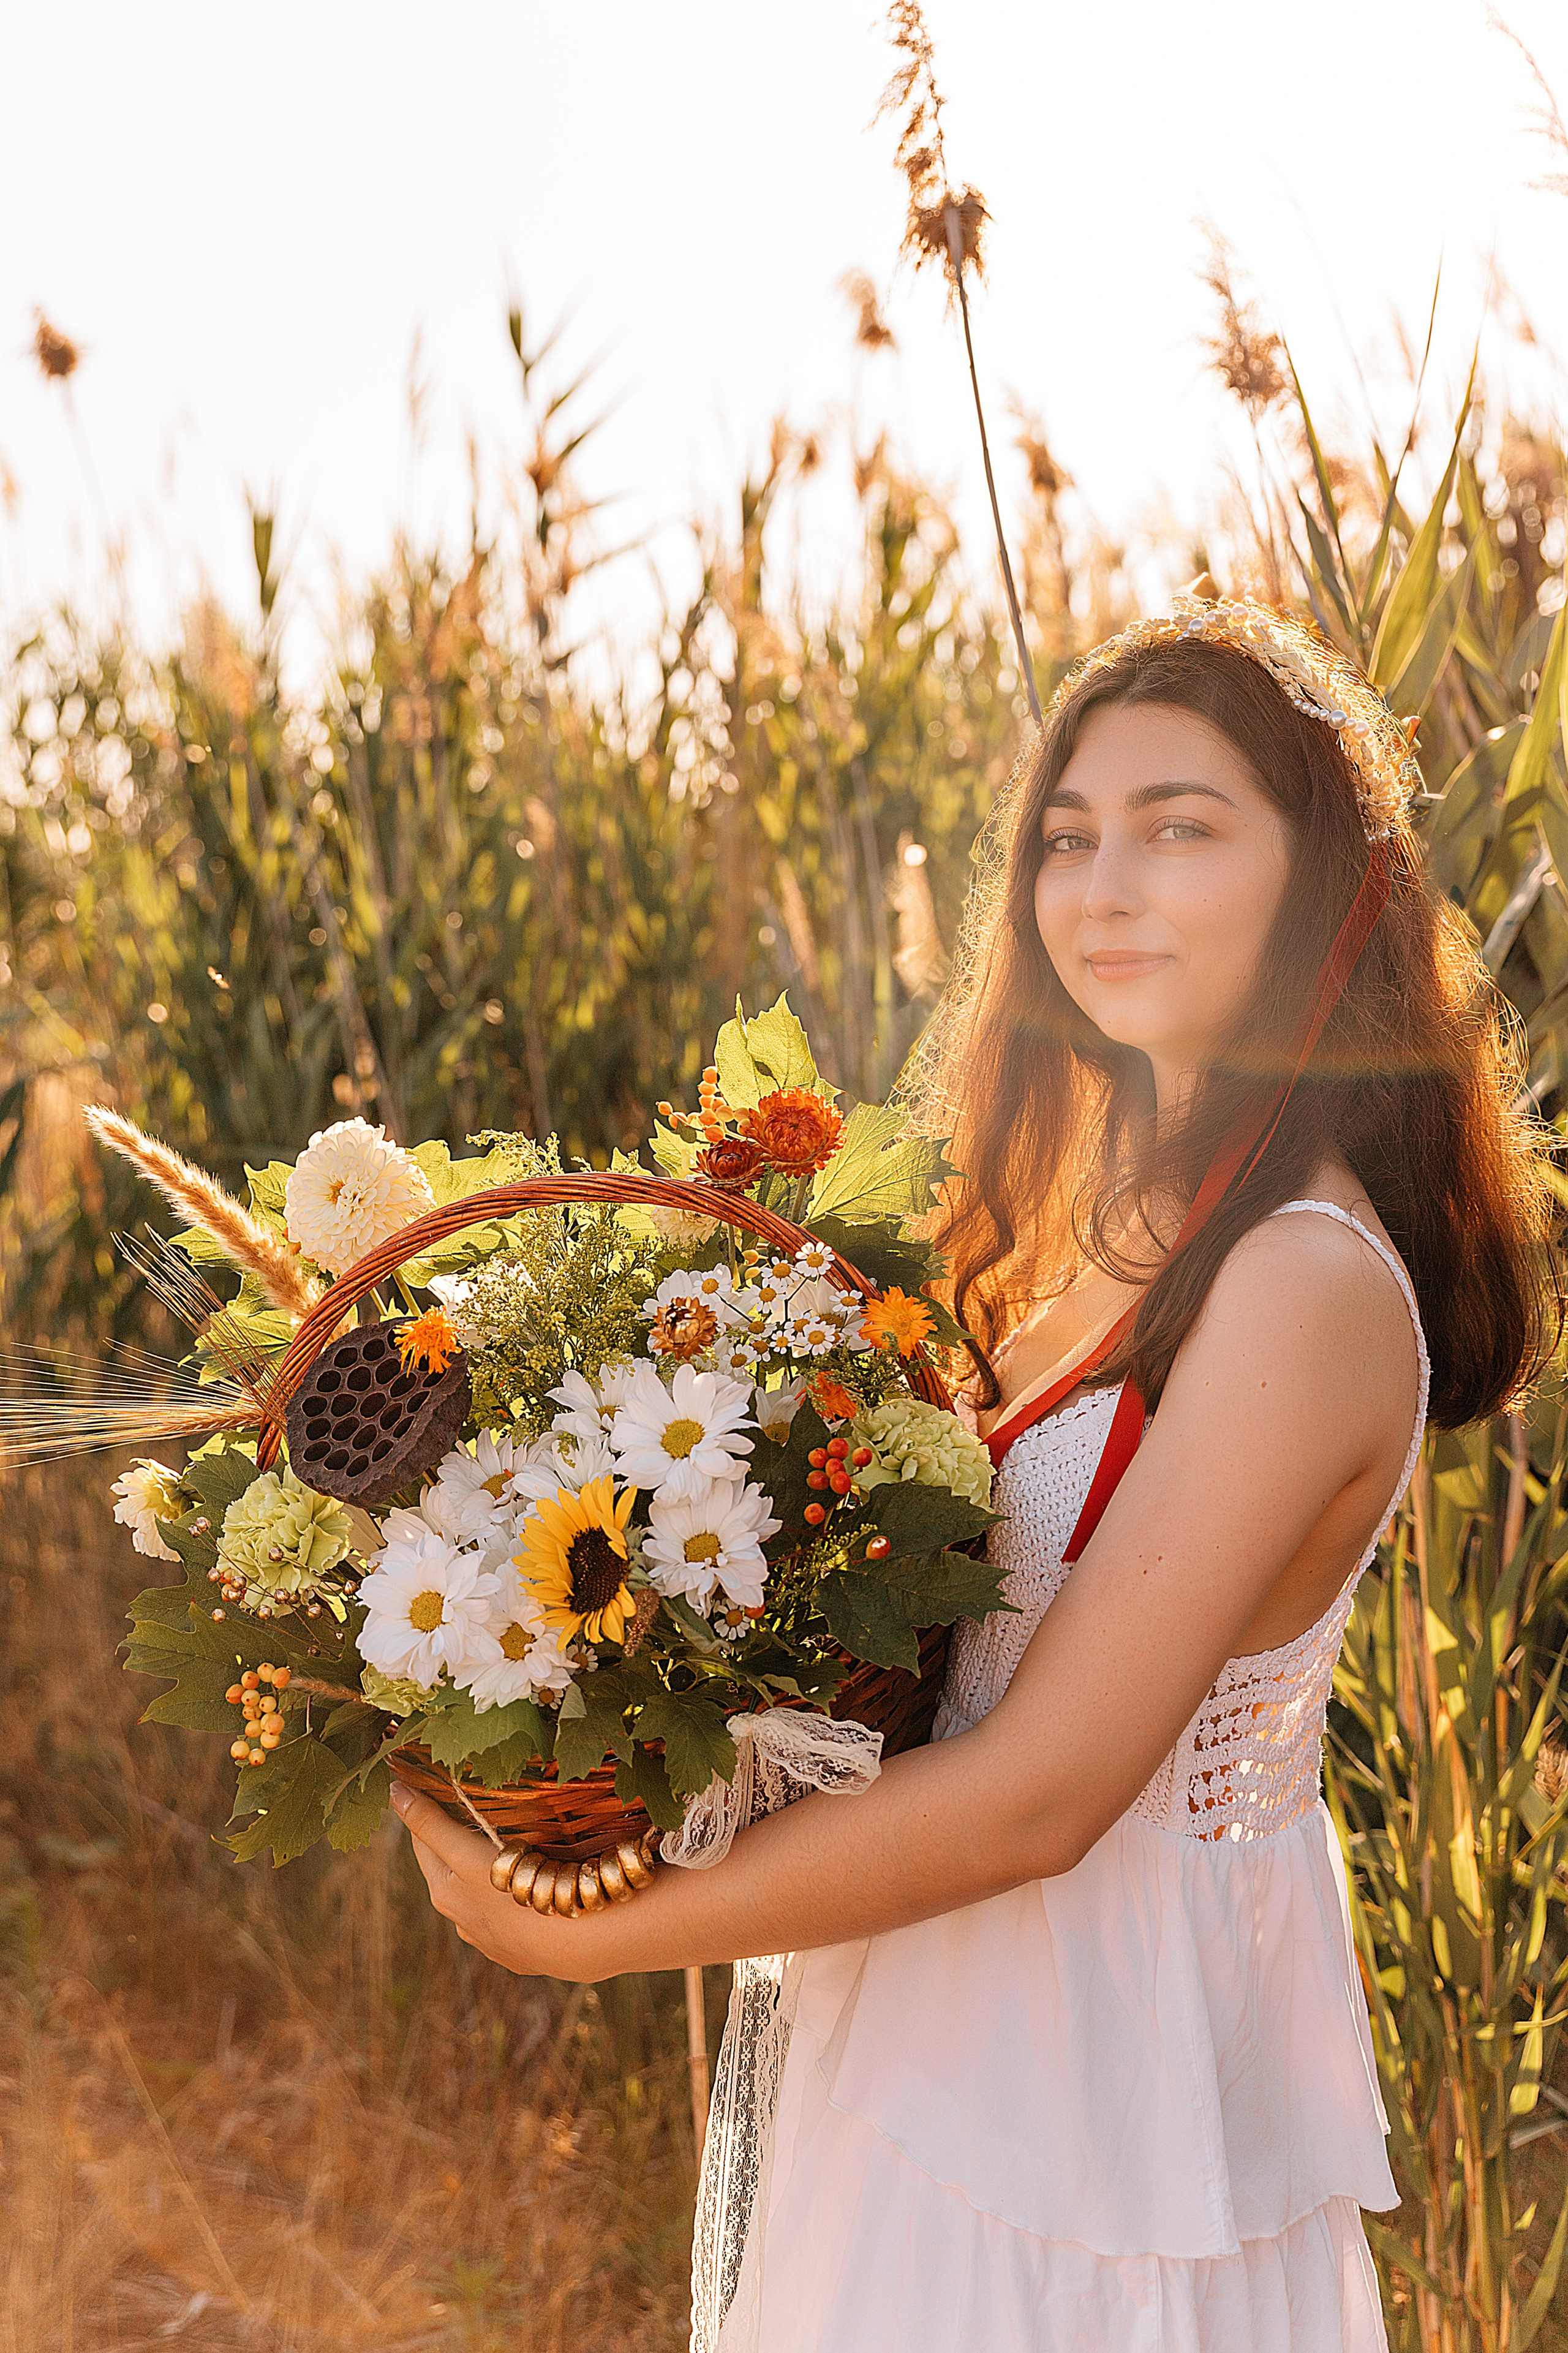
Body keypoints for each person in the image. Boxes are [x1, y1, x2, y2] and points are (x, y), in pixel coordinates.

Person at [391, 592, 1558, 2350]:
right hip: (931, 2039)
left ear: (1325, 882)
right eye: (1068, 838)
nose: (1104, 887)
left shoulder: (1304, 1280)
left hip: (1092, 2114)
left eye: (1180, 828)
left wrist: (600, 1931)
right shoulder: (1089, 1228)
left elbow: (1042, 1792)